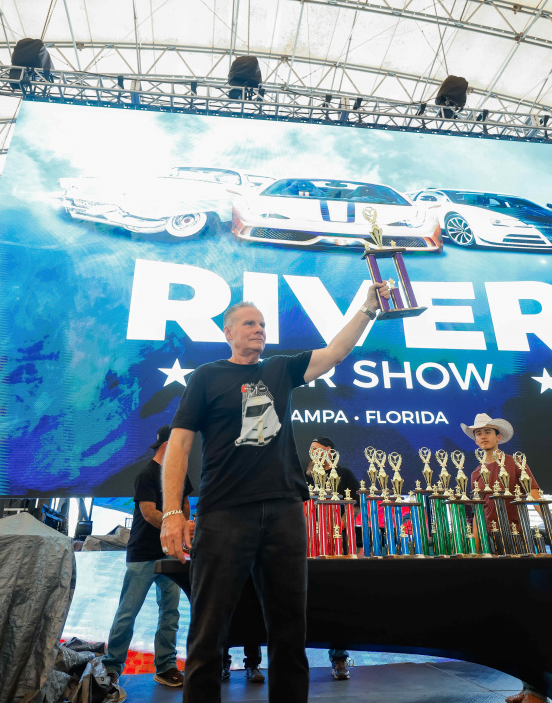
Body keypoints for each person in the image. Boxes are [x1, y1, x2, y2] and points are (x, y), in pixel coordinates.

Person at [160, 283, 390, 703]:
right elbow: (179, 444)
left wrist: (368, 309)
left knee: (290, 630)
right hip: (224, 512)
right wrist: (173, 511)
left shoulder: (281, 369)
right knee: (210, 628)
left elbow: (335, 353)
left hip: (284, 511)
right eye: (250, 323)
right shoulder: (207, 376)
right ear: (229, 332)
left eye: (263, 325)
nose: (259, 330)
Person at [462, 412, 552, 703]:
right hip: (490, 548)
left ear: (498, 436)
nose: (482, 436)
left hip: (518, 544)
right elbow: (478, 512)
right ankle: (528, 688)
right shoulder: (475, 473)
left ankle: (537, 691)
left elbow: (537, 501)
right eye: (478, 433)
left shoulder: (516, 463)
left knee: (528, 615)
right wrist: (474, 544)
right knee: (508, 619)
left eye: (487, 431)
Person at [102, 425, 193, 686]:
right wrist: (177, 525)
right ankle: (111, 667)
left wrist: (183, 528)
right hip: (143, 555)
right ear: (167, 445)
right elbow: (149, 512)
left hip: (171, 554)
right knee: (127, 613)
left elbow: (185, 503)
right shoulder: (147, 474)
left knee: (171, 614)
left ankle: (165, 667)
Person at [305, 436, 360, 681]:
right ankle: (293, 657)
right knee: (307, 599)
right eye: (311, 450)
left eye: (317, 449)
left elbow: (356, 505)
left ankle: (339, 657)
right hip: (310, 544)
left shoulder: (344, 473)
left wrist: (338, 525)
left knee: (338, 598)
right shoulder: (306, 476)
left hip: (340, 544)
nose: (313, 453)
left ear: (329, 450)